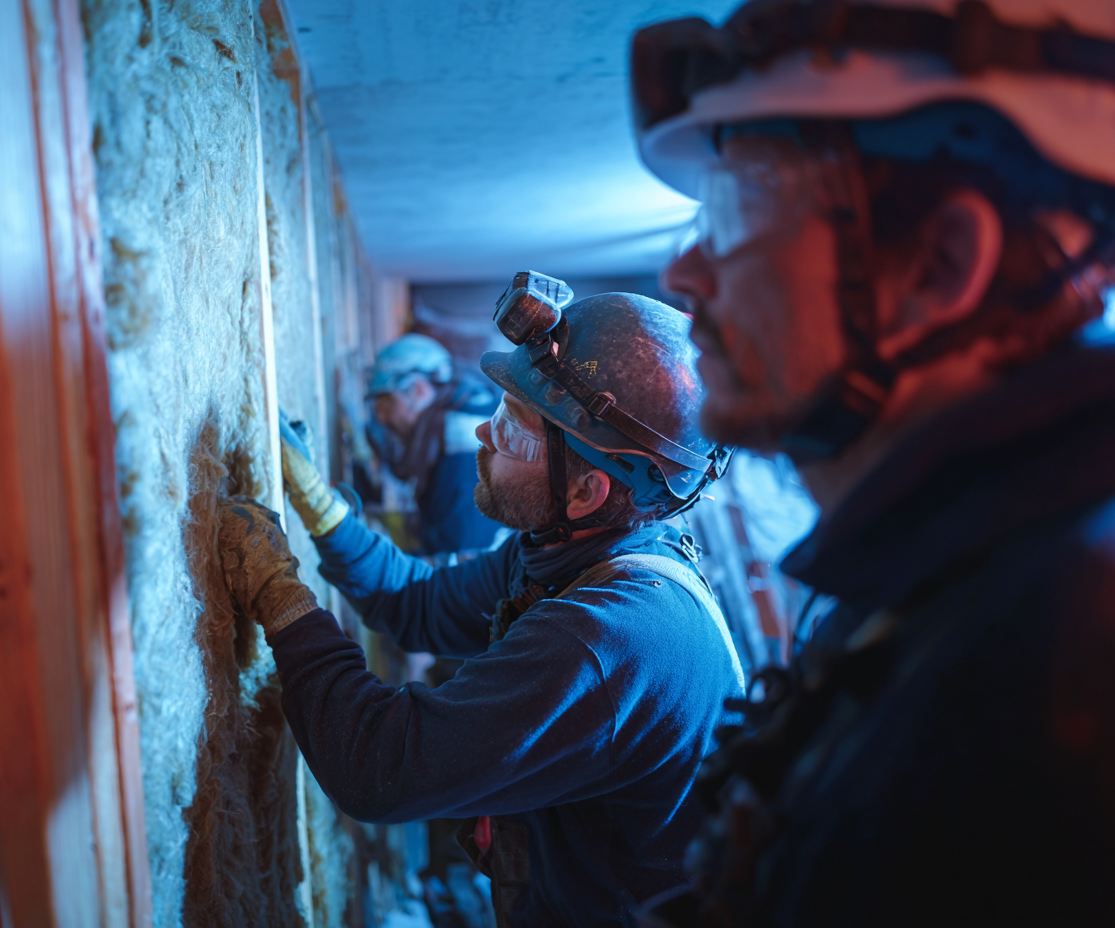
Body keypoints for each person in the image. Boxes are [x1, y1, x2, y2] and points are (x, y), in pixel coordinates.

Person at [630, 0, 1115, 924]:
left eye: (744, 201)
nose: (685, 271)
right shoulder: (951, 584)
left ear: (939, 267)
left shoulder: (1097, 666)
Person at [217, 278, 741, 926]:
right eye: (500, 409)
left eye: (514, 430)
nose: (483, 435)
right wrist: (323, 512)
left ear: (586, 491)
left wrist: (279, 596)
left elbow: (381, 765)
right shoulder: (569, 550)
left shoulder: (611, 637)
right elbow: (417, 603)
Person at [365, 332, 503, 556]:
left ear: (419, 390)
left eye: (388, 402)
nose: (382, 418)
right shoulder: (467, 411)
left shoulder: (461, 451)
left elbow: (456, 558)